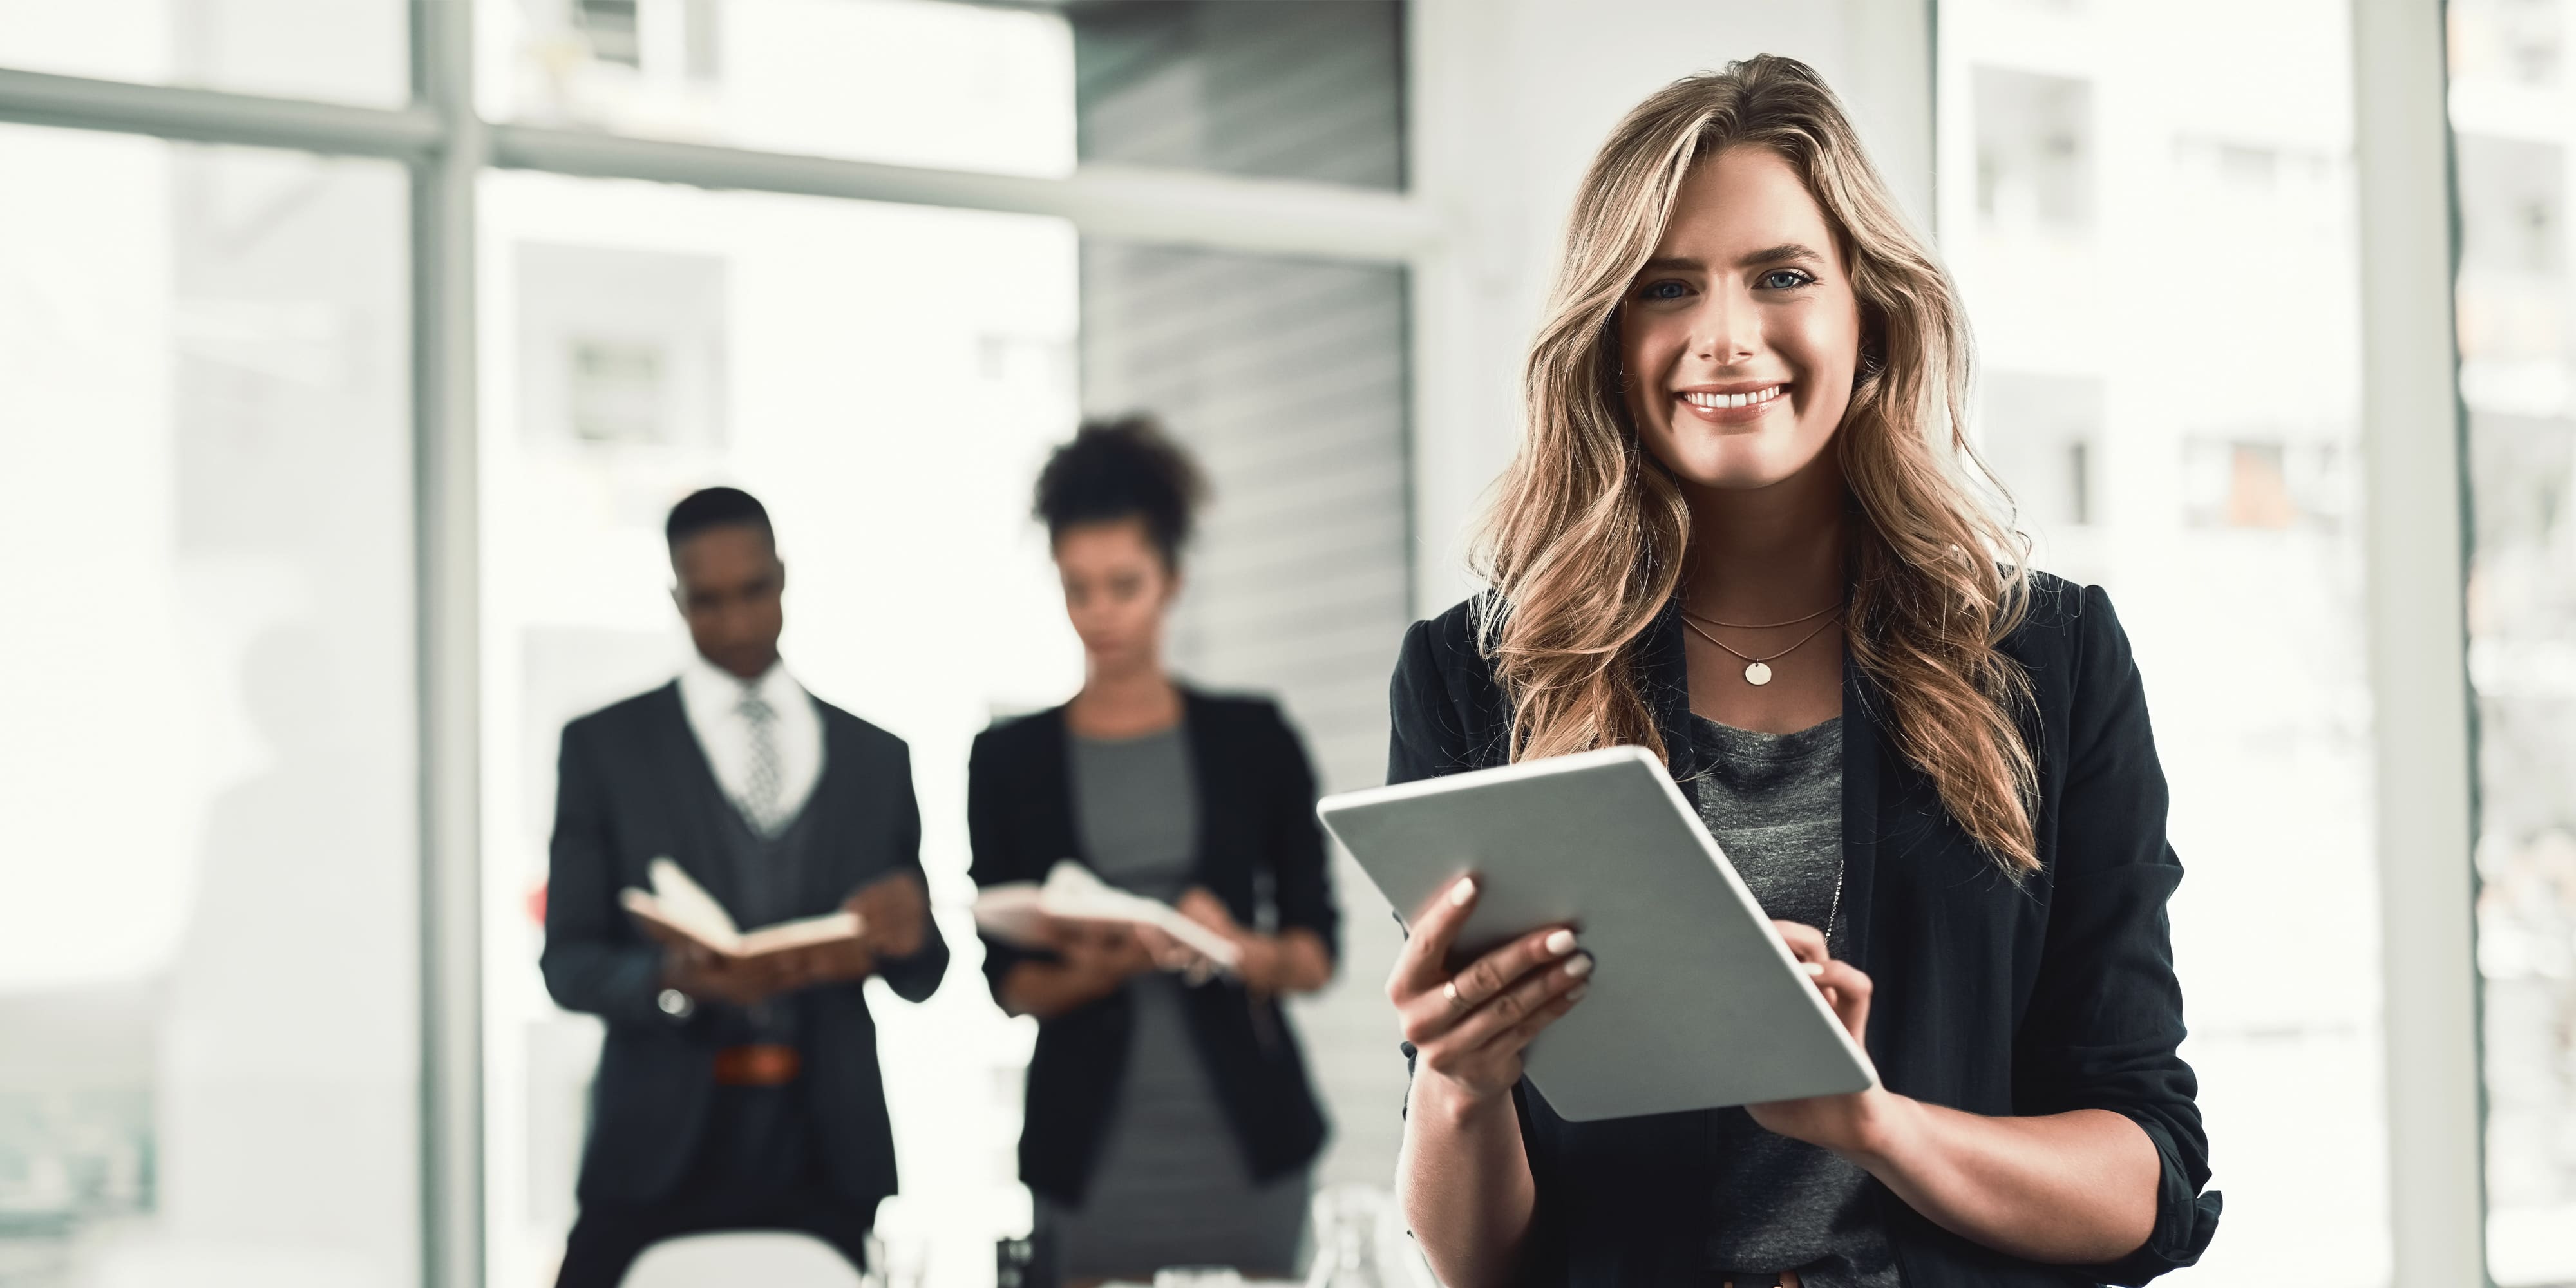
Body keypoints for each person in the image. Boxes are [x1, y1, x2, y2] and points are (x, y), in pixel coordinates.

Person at [1381, 57, 2219, 1288]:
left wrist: (1865, 1121)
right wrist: (1457, 1081)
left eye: (1781, 277)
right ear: (1611, 341)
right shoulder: (1478, 674)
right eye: (1668, 289)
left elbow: (2142, 1178)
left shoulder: (2050, 659)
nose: (1726, 338)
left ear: (1865, 315)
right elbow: (1479, 1266)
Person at [541, 486, 947, 1288]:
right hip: (654, 1144)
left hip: (826, 1148)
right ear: (676, 599)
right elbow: (567, 961)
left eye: (754, 592)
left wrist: (912, 935)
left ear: (784, 576)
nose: (734, 623)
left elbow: (922, 972)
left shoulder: (877, 758)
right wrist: (669, 980)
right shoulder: (603, 749)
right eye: (707, 601)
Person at [968, 417, 1339, 1283]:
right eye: (1078, 588)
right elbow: (1009, 984)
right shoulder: (1008, 759)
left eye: (1123, 585)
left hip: (1249, 1146)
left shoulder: (1254, 738)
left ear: (1171, 580)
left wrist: (1232, 947)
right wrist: (1106, 960)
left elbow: (1316, 957)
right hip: (1091, 1157)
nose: (1100, 614)